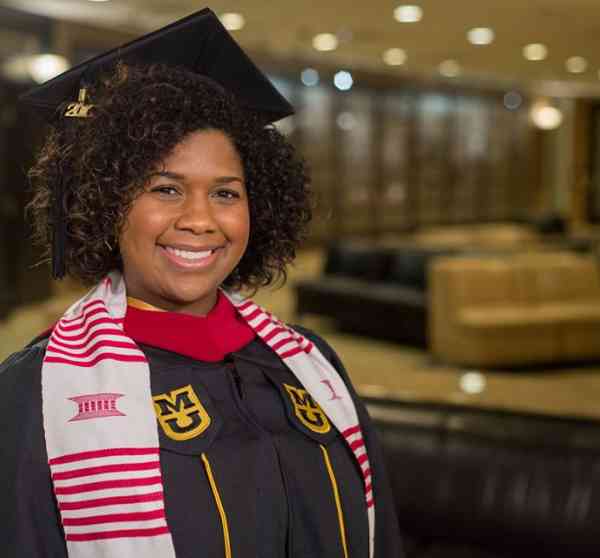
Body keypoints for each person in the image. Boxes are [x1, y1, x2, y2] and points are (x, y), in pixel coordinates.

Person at [0, 8, 403, 558]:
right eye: (165, 189)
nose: (200, 219)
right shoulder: (35, 395)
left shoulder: (310, 364)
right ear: (106, 202)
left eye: (226, 192)